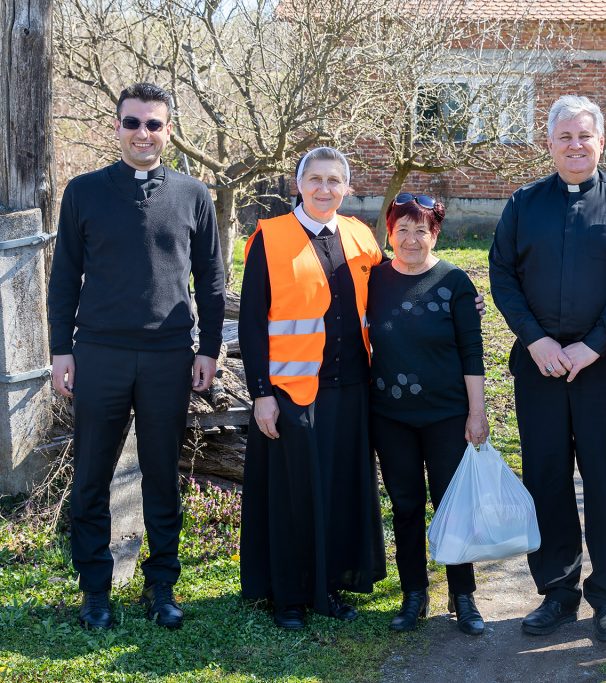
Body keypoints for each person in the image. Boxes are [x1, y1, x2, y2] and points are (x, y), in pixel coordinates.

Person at [47, 82, 225, 630]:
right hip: (98, 352)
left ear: (169, 130)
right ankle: (95, 591)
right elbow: (63, 279)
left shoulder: (194, 195)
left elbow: (213, 280)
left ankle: (162, 586)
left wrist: (209, 351)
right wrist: (60, 350)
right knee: (92, 475)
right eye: (132, 123)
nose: (142, 133)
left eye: (153, 124)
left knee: (161, 476)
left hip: (169, 355)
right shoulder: (82, 191)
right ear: (117, 126)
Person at [489, 95, 606, 642]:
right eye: (564, 137)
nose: (575, 145)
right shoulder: (523, 204)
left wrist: (591, 346)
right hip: (539, 366)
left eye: (584, 136)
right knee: (546, 478)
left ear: (600, 141)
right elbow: (502, 277)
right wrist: (535, 340)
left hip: (605, 369)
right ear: (549, 143)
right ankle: (558, 592)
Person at [238, 146, 386, 630]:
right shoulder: (271, 237)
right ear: (298, 185)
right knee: (295, 492)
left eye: (335, 180)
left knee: (340, 488)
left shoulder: (361, 236)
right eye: (315, 179)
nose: (325, 189)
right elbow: (252, 323)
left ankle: (333, 583)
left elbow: (386, 300)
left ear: (347, 187)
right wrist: (261, 392)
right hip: (290, 389)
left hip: (352, 387)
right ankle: (290, 596)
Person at [366, 192, 489, 636]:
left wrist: (477, 412)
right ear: (390, 233)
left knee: (451, 506)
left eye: (422, 230)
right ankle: (413, 595)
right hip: (390, 415)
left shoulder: (456, 283)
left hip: (446, 415)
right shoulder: (373, 281)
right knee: (405, 506)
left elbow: (471, 353)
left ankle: (463, 597)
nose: (412, 239)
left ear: (435, 234)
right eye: (403, 230)